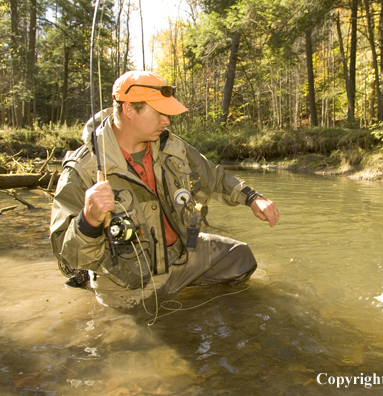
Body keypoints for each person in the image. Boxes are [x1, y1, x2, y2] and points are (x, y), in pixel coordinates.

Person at [50, 70, 279, 309]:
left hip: (182, 256)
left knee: (240, 257)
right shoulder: (81, 169)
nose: (167, 120)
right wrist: (89, 220)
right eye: (159, 112)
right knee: (138, 340)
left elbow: (214, 176)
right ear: (129, 109)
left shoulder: (171, 145)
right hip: (129, 284)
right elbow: (68, 254)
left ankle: (187, 298)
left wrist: (253, 198)